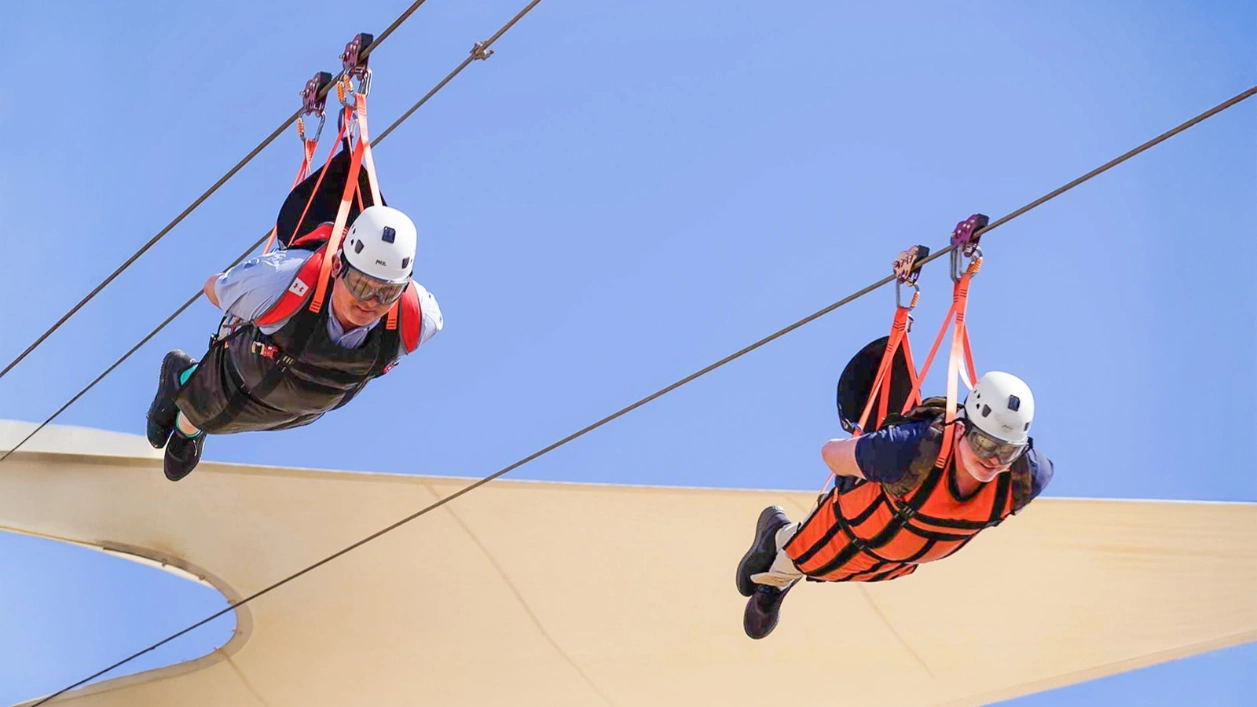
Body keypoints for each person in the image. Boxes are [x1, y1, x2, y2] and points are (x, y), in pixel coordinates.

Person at [734, 370, 1054, 640]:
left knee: (842, 569)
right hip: (856, 527)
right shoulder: (912, 448)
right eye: (984, 444)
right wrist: (873, 458)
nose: (992, 460)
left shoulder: (1025, 477)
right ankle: (775, 573)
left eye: (1005, 452)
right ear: (964, 427)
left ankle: (778, 537)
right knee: (808, 555)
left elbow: (1027, 464)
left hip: (900, 559)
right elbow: (831, 453)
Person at [144, 203, 443, 482]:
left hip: (306, 406)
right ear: (339, 265)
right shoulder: (279, 280)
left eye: (386, 294)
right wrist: (248, 296)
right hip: (244, 376)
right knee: (209, 408)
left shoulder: (417, 318)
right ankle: (181, 384)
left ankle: (191, 412)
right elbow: (214, 288)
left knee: (249, 414)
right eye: (361, 285)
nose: (371, 302)